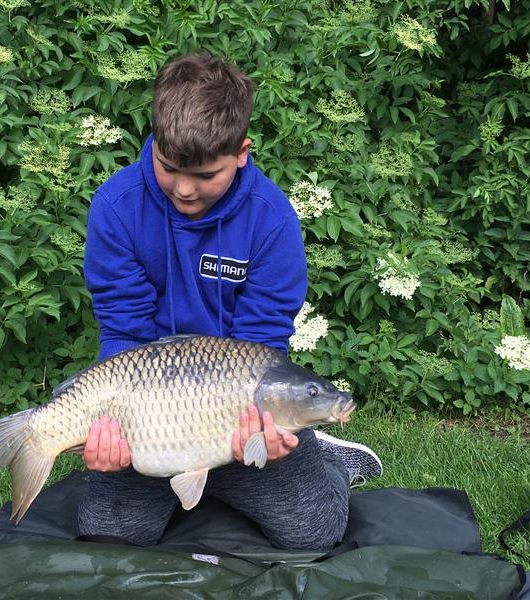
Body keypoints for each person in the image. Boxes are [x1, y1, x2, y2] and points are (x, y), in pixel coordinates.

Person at [80, 51, 381, 549]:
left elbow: (261, 346)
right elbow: (124, 332)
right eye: (169, 168)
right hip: (151, 415)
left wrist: (266, 432)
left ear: (241, 152)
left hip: (240, 407)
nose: (184, 189)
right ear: (154, 140)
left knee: (313, 532)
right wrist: (111, 427)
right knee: (107, 535)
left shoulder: (271, 220)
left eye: (205, 176)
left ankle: (330, 459)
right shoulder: (116, 207)